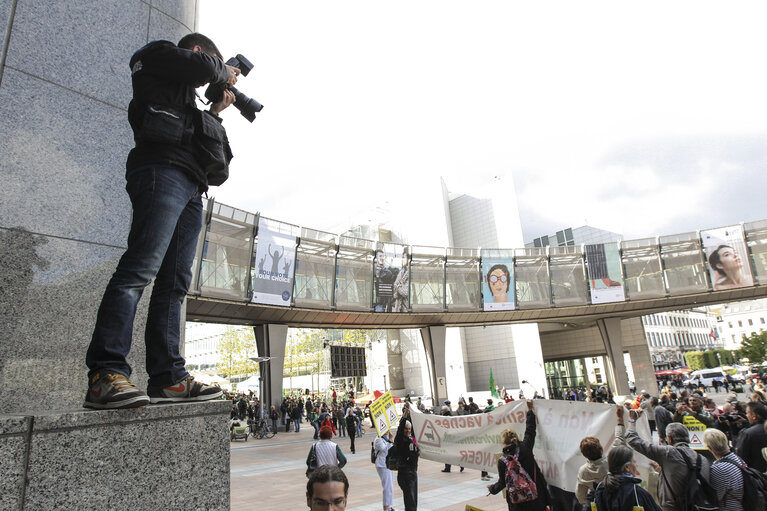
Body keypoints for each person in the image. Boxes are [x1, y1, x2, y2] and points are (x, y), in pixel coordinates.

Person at [84, 33, 240, 409]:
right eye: (212, 66)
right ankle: (105, 374)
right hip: (160, 173)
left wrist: (215, 112)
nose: (211, 80)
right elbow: (201, 67)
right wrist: (224, 72)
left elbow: (210, 153)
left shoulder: (183, 95)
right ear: (200, 52)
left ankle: (169, 378)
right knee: (140, 269)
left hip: (191, 185)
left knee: (174, 284)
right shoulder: (156, 55)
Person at [626, 410, 711, 511]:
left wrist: (632, 420)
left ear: (670, 439)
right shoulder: (703, 459)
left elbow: (633, 440)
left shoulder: (668, 453)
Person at [487, 400, 550, 511]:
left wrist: (492, 489)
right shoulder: (525, 447)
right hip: (536, 497)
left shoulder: (503, 460)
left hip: (517, 503)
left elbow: (502, 482)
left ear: (504, 442)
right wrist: (530, 410)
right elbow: (530, 430)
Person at [575, 405, 628, 505]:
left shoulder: (583, 471)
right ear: (601, 448)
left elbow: (580, 496)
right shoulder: (612, 462)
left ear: (583, 454)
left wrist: (596, 504)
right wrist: (620, 418)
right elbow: (620, 439)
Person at [588, 446, 662, 511]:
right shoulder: (637, 493)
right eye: (634, 462)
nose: (636, 466)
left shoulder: (597, 491)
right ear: (627, 467)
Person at [703, 428, 745, 511]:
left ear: (709, 448)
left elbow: (715, 497)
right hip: (742, 506)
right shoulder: (738, 459)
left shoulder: (719, 469)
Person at [393, 407, 420, 511]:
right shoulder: (400, 440)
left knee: (413, 500)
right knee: (410, 501)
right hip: (405, 473)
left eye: (409, 429)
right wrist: (404, 416)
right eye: (406, 429)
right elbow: (400, 431)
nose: (408, 431)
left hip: (412, 472)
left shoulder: (411, 440)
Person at [734, 400, 767, 473]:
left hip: (757, 476)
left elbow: (740, 459)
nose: (746, 415)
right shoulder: (750, 431)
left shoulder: (748, 433)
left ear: (754, 416)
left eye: (747, 413)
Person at [373, 430, 395, 511]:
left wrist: (390, 440)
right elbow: (385, 450)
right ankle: (386, 508)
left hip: (388, 464)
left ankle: (388, 506)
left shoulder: (385, 438)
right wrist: (390, 440)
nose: (387, 430)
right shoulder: (378, 439)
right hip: (382, 465)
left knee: (390, 486)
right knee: (387, 487)